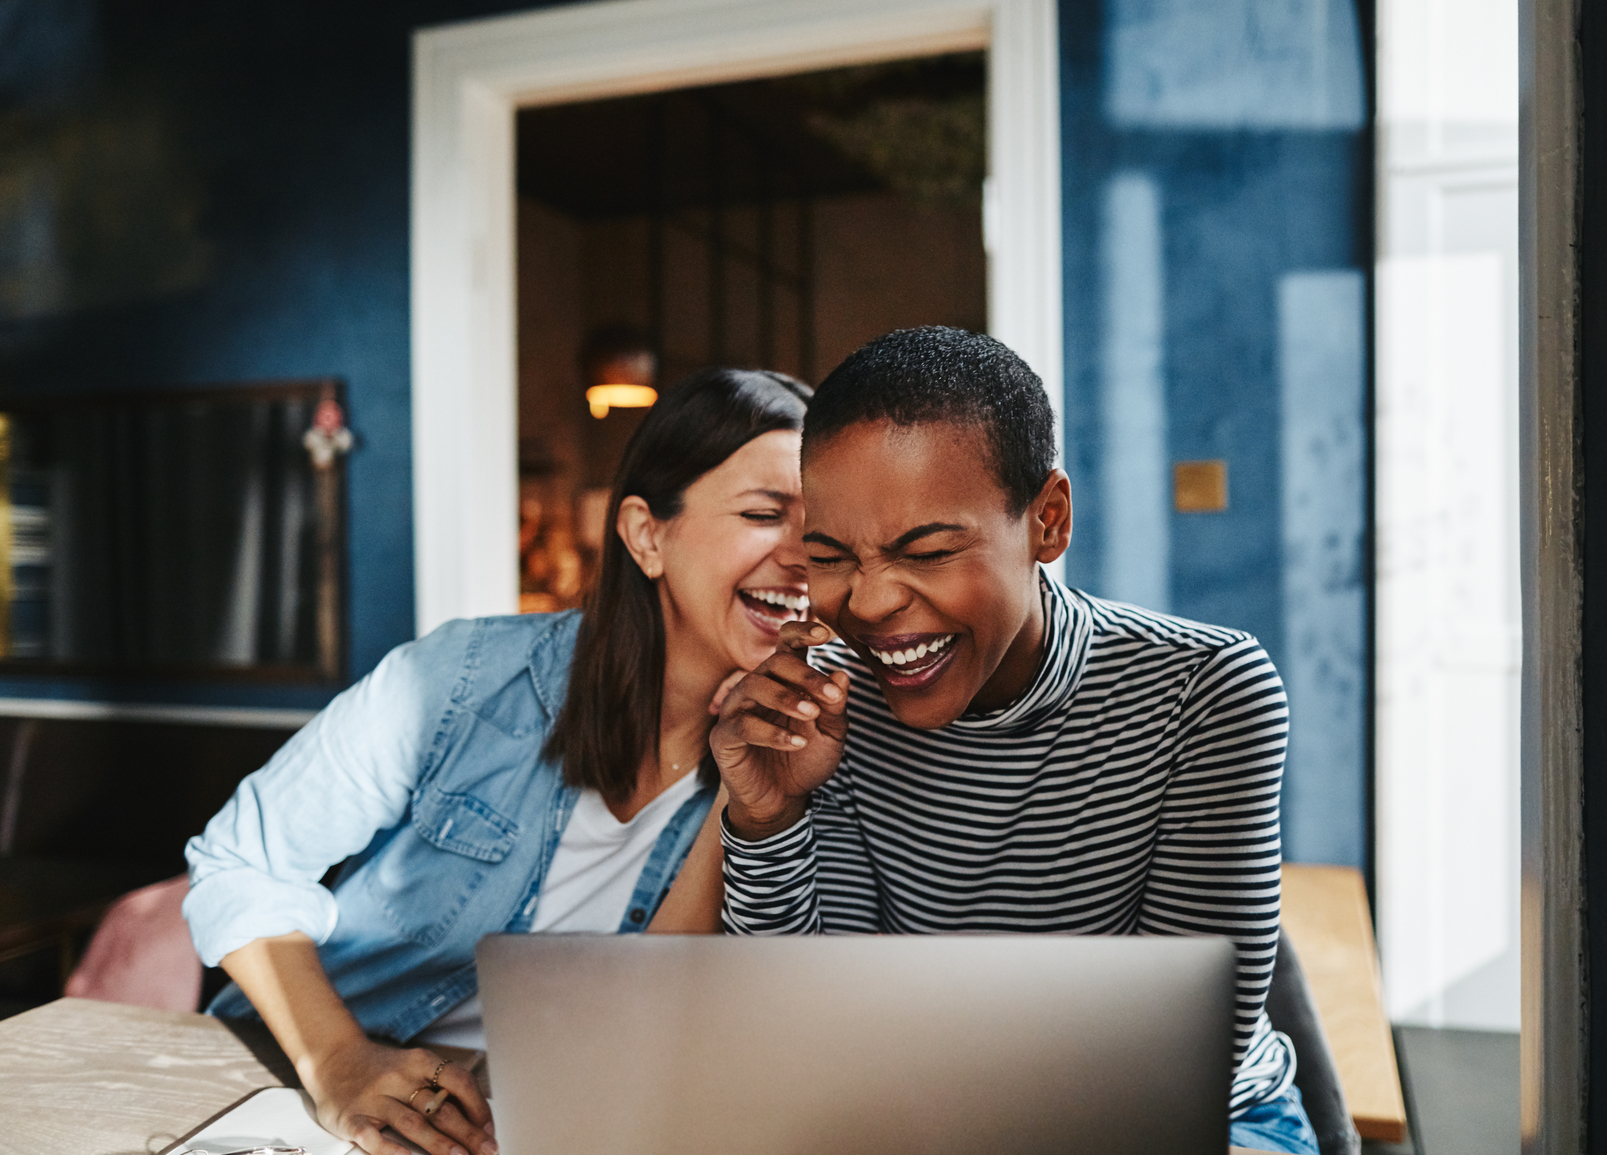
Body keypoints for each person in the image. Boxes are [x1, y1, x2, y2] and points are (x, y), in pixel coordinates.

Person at [710, 328, 1317, 1155]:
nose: (872, 599)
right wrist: (768, 815)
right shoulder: (824, 702)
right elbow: (811, 1018)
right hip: (914, 1121)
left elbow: (1180, 1052)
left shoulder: (1200, 690)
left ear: (1047, 522)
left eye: (925, 549)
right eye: (829, 555)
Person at [183, 367, 812, 1155]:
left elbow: (660, 1020)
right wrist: (339, 1059)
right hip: (301, 1098)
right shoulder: (461, 677)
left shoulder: (802, 756)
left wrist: (744, 805)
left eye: (820, 531)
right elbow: (239, 862)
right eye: (763, 514)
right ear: (647, 534)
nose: (801, 558)